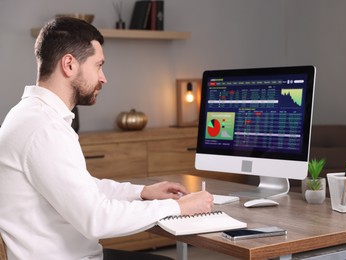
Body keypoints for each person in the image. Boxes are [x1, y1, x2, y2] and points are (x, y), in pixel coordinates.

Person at [0, 17, 213, 259]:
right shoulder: (44, 129)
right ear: (69, 64)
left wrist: (142, 192)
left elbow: (84, 187)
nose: (103, 78)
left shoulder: (29, 115)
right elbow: (96, 219)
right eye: (98, 66)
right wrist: (177, 207)